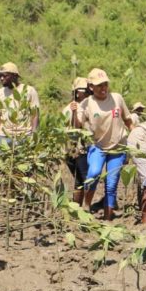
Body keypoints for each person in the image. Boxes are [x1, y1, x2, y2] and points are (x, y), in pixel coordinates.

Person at [74, 68, 133, 220]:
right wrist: (74, 112)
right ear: (91, 87)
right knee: (93, 174)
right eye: (99, 85)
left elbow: (128, 121)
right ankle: (87, 204)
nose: (103, 88)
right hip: (98, 146)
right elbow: (78, 125)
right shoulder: (86, 104)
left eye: (105, 84)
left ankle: (108, 218)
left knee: (111, 183)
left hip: (117, 147)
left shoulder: (117, 99)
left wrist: (134, 144)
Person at [0, 62, 40, 147]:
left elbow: (35, 115)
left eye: (5, 75)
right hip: (3, 136)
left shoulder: (29, 91)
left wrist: (34, 135)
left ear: (14, 76)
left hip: (24, 136)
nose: (1, 78)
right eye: (0, 76)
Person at [62, 77, 91, 205]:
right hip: (76, 148)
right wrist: (74, 113)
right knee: (81, 179)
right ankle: (80, 206)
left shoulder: (88, 106)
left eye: (86, 90)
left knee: (80, 180)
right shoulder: (72, 108)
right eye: (82, 90)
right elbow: (76, 127)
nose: (84, 93)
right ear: (76, 92)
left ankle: (78, 206)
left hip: (81, 147)